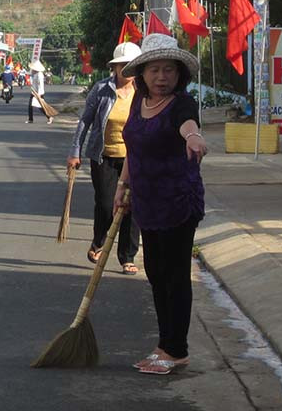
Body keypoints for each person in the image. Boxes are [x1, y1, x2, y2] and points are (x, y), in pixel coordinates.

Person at [114, 34, 208, 375]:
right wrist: (123, 186)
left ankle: (176, 349)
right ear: (142, 73)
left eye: (169, 70)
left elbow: (189, 126)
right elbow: (134, 147)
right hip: (146, 200)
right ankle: (164, 344)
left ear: (179, 74)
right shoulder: (139, 100)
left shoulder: (182, 103)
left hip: (177, 201)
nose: (162, 77)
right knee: (155, 272)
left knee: (175, 275)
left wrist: (194, 137)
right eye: (154, 70)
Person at [67, 42, 142, 275]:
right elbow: (84, 122)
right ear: (115, 67)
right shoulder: (101, 89)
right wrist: (75, 151)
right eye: (123, 66)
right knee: (107, 204)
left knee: (133, 208)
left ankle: (127, 257)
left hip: (135, 158)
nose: (127, 71)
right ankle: (98, 241)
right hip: (104, 156)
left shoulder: (144, 92)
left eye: (132, 66)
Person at [27, 60, 52, 124]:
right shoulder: (35, 74)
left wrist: (39, 94)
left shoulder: (40, 75)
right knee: (30, 105)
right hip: (34, 92)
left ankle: (49, 117)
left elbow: (40, 85)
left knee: (41, 106)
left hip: (39, 93)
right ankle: (30, 119)